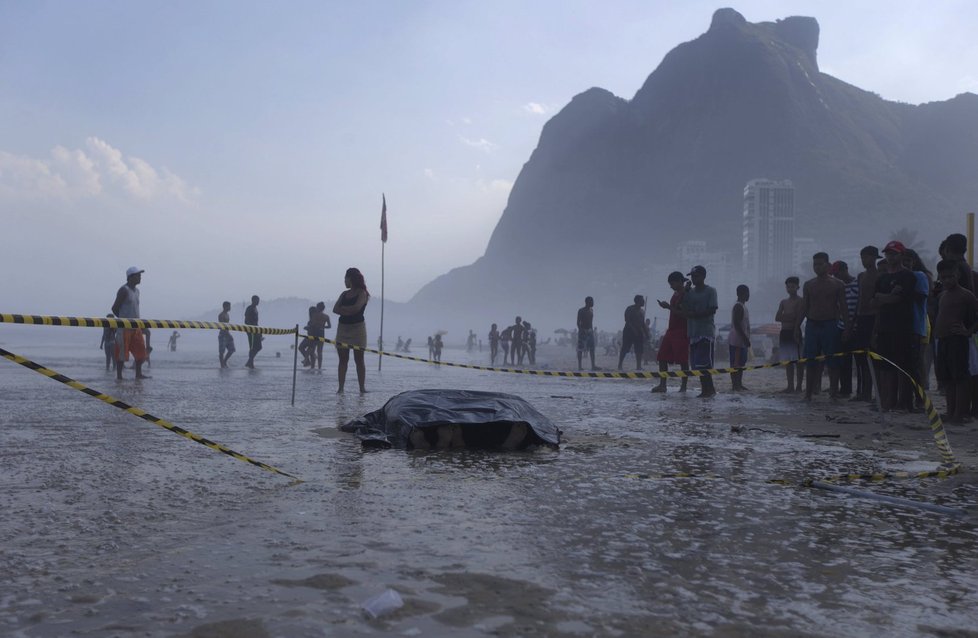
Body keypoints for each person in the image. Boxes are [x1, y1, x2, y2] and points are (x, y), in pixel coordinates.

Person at [872, 241, 918, 411]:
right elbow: (873, 302)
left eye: (894, 253)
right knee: (885, 367)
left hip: (902, 327)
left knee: (902, 365)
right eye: (888, 253)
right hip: (883, 326)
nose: (891, 257)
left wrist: (883, 297)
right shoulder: (882, 278)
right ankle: (886, 401)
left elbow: (897, 299)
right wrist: (887, 296)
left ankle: (904, 402)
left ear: (901, 255)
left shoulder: (908, 276)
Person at [934, 259, 978, 423]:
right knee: (947, 378)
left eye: (950, 276)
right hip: (942, 340)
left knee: (960, 377)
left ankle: (962, 413)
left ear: (958, 275)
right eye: (944, 277)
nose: (947, 280)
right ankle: (951, 411)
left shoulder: (966, 295)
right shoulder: (942, 295)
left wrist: (968, 331)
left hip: (957, 340)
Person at [801, 252, 850, 400]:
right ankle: (808, 393)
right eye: (815, 264)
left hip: (830, 324)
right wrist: (797, 326)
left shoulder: (838, 284)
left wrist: (847, 328)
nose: (817, 267)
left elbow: (844, 307)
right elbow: (804, 307)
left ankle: (833, 393)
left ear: (828, 265)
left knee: (833, 361)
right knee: (810, 361)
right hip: (812, 324)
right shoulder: (809, 285)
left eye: (820, 264)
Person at [679, 265, 718, 398]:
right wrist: (685, 291)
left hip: (705, 332)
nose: (694, 279)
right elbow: (682, 306)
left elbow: (712, 309)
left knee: (705, 363)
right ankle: (706, 389)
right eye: (692, 277)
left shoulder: (711, 291)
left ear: (703, 276)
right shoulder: (690, 292)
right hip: (693, 332)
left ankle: (709, 389)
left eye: (696, 276)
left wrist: (696, 314)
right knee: (697, 365)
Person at [332, 267, 369, 393]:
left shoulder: (362, 293)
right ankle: (341, 388)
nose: (344, 281)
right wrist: (349, 310)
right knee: (343, 360)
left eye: (345, 278)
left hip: (358, 329)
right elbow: (335, 309)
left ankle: (362, 388)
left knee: (359, 359)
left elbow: (357, 308)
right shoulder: (344, 294)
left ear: (350, 279)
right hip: (343, 329)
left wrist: (345, 310)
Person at [852, 246, 882, 401]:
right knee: (860, 357)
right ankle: (861, 391)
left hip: (873, 317)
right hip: (861, 317)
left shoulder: (880, 276)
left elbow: (878, 302)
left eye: (867, 257)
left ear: (874, 258)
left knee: (872, 357)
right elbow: (860, 298)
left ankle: (870, 392)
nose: (865, 261)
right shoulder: (861, 276)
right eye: (862, 257)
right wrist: (854, 320)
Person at [652, 272, 689, 393]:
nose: (671, 286)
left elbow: (684, 314)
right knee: (662, 357)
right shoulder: (676, 294)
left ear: (679, 281)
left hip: (682, 330)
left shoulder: (686, 294)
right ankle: (663, 384)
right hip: (671, 330)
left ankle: (684, 386)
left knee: (683, 360)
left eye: (672, 283)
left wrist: (668, 307)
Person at [111, 266, 150, 380]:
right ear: (131, 277)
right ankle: (119, 376)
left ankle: (138, 374)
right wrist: (124, 320)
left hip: (136, 326)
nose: (140, 277)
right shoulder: (124, 290)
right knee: (122, 353)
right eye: (138, 275)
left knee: (141, 352)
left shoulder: (137, 291)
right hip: (124, 327)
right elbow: (114, 308)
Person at [830, 261, 859, 397]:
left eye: (837, 273)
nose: (836, 276)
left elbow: (859, 305)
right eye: (834, 275)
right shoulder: (838, 287)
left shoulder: (857, 283)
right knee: (843, 360)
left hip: (856, 326)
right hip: (841, 326)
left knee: (859, 361)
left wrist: (851, 326)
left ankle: (861, 390)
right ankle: (845, 389)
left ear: (845, 270)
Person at [776, 276, 805, 393]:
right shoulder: (783, 302)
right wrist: (790, 317)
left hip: (795, 331)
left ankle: (799, 386)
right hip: (784, 332)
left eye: (792, 286)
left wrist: (787, 318)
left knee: (798, 361)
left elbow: (799, 317)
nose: (790, 289)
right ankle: (790, 386)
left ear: (798, 287)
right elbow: (777, 317)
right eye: (788, 286)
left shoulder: (800, 300)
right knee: (788, 362)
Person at [729, 285, 751, 391]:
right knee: (736, 363)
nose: (748, 295)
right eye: (746, 293)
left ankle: (739, 384)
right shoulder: (738, 306)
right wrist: (745, 338)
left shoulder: (743, 306)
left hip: (742, 339)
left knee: (741, 363)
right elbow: (737, 324)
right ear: (739, 294)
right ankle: (735, 385)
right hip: (737, 339)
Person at [618, 295, 649, 371]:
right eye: (642, 300)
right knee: (625, 348)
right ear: (638, 301)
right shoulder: (630, 309)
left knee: (639, 350)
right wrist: (633, 329)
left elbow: (643, 323)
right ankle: (620, 365)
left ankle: (638, 366)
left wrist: (646, 333)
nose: (643, 302)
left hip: (639, 332)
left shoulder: (642, 311)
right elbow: (627, 320)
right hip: (628, 332)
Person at [309, 301, 331, 369]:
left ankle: (312, 366)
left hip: (315, 333)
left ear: (318, 308)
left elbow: (312, 324)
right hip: (322, 333)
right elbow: (329, 326)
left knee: (312, 350)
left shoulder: (314, 315)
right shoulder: (326, 316)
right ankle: (319, 367)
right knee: (320, 351)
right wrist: (322, 327)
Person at [576, 296, 596, 370]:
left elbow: (591, 322)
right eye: (592, 301)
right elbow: (578, 322)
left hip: (590, 331)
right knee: (580, 349)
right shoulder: (581, 311)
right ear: (587, 302)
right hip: (583, 331)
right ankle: (579, 366)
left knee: (592, 349)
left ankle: (593, 366)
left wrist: (591, 330)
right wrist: (581, 330)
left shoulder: (591, 310)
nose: (593, 303)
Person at [244, 295, 262, 369]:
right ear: (253, 300)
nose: (258, 302)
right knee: (252, 347)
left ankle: (249, 361)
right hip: (251, 330)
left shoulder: (255, 308)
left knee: (259, 347)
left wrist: (259, 331)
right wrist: (251, 328)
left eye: (258, 300)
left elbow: (256, 321)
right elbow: (246, 320)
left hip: (256, 330)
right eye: (257, 300)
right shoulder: (249, 308)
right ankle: (251, 363)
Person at [218, 301, 235, 368]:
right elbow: (222, 326)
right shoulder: (221, 315)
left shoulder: (227, 315)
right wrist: (227, 334)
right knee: (221, 351)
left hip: (228, 333)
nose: (230, 308)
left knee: (232, 349)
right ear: (225, 307)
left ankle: (224, 361)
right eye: (229, 306)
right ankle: (222, 365)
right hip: (223, 335)